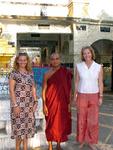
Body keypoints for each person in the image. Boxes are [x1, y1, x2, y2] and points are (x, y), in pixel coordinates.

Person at [74, 46, 103, 150]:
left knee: (93, 121)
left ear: (92, 53)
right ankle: (81, 141)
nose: (86, 55)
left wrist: (101, 96)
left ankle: (91, 141)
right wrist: (75, 95)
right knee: (81, 119)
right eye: (84, 53)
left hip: (94, 95)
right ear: (82, 55)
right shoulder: (79, 66)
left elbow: (100, 82)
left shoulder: (98, 67)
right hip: (82, 95)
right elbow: (76, 81)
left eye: (88, 53)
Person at [42, 52, 73, 150]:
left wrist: (69, 103)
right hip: (51, 103)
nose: (55, 61)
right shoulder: (47, 74)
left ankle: (59, 144)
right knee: (50, 124)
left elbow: (70, 89)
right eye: (52, 59)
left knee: (60, 124)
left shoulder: (66, 72)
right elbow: (43, 90)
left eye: (57, 58)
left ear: (60, 59)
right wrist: (44, 105)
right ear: (50, 61)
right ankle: (50, 145)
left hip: (63, 103)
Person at [9, 52, 38, 150]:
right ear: (17, 60)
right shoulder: (14, 73)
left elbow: (33, 87)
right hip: (18, 105)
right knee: (19, 129)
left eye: (24, 60)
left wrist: (35, 102)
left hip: (29, 105)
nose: (22, 62)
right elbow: (11, 90)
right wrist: (15, 105)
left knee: (26, 129)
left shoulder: (30, 73)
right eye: (20, 60)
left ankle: (25, 148)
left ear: (27, 61)